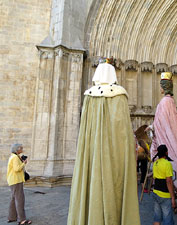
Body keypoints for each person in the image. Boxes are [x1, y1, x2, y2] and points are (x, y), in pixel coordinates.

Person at [67, 58, 141, 225]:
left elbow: (86, 131)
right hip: (115, 153)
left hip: (92, 152)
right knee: (114, 185)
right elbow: (123, 132)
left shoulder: (89, 96)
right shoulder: (120, 95)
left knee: (93, 181)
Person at [147, 72, 177, 193]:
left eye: (161, 86)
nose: (160, 88)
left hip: (164, 138)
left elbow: (160, 122)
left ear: (164, 87)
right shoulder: (171, 101)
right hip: (172, 136)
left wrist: (152, 127)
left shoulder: (164, 102)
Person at [7, 143, 32, 225]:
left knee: (13, 199)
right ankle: (22, 220)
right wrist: (23, 163)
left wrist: (21, 161)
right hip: (16, 181)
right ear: (17, 149)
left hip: (13, 180)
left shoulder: (13, 156)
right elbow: (17, 169)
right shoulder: (15, 158)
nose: (22, 149)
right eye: (21, 148)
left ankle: (12, 217)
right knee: (20, 200)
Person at [152, 145, 176, 225]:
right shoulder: (167, 164)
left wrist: (175, 188)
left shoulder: (155, 163)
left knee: (157, 218)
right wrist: (173, 197)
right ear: (166, 152)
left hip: (155, 192)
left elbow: (158, 179)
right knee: (167, 220)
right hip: (165, 195)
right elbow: (168, 181)